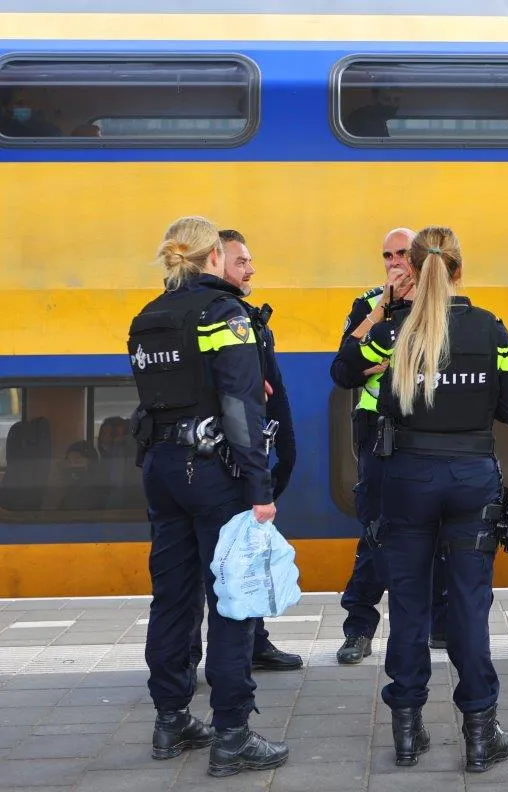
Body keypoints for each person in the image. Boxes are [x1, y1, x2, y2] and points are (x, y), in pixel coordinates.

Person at [338, 226, 508, 772]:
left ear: (414, 272)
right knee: (469, 604)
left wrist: (381, 311)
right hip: (472, 479)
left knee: (409, 604)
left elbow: (345, 369)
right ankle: (480, 733)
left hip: (406, 480)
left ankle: (406, 730)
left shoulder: (396, 331)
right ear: (460, 270)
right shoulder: (492, 330)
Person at [128, 216, 288, 777]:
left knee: (172, 597)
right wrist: (261, 488)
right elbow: (242, 407)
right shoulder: (225, 314)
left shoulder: (147, 317)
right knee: (232, 601)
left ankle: (171, 720)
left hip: (161, 470)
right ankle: (232, 735)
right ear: (214, 256)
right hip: (213, 475)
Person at [329, 228, 450, 664]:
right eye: (387, 255)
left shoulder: (440, 299)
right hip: (378, 432)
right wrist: (381, 308)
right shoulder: (368, 303)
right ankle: (358, 629)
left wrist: (376, 360)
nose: (395, 262)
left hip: (430, 430)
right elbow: (344, 367)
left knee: (438, 528)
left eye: (403, 253)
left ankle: (441, 626)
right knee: (377, 531)